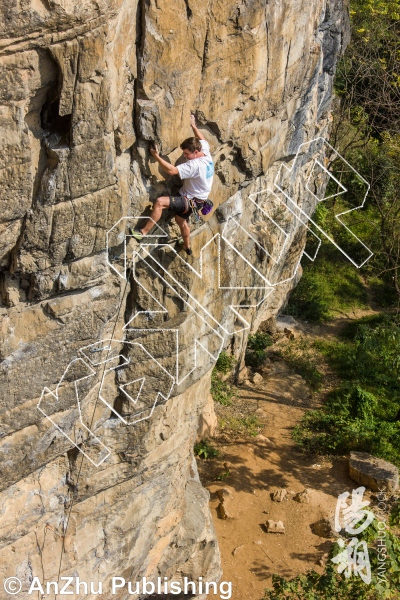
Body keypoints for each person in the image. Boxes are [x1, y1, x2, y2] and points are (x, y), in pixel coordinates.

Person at [130, 114, 214, 255]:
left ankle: (142, 233)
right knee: (180, 220)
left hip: (190, 200)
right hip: (199, 200)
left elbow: (172, 170)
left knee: (159, 202)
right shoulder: (205, 151)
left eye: (187, 154)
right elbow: (202, 139)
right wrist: (194, 126)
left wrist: (156, 156)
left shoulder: (195, 165)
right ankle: (186, 247)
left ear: (196, 152)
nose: (185, 156)